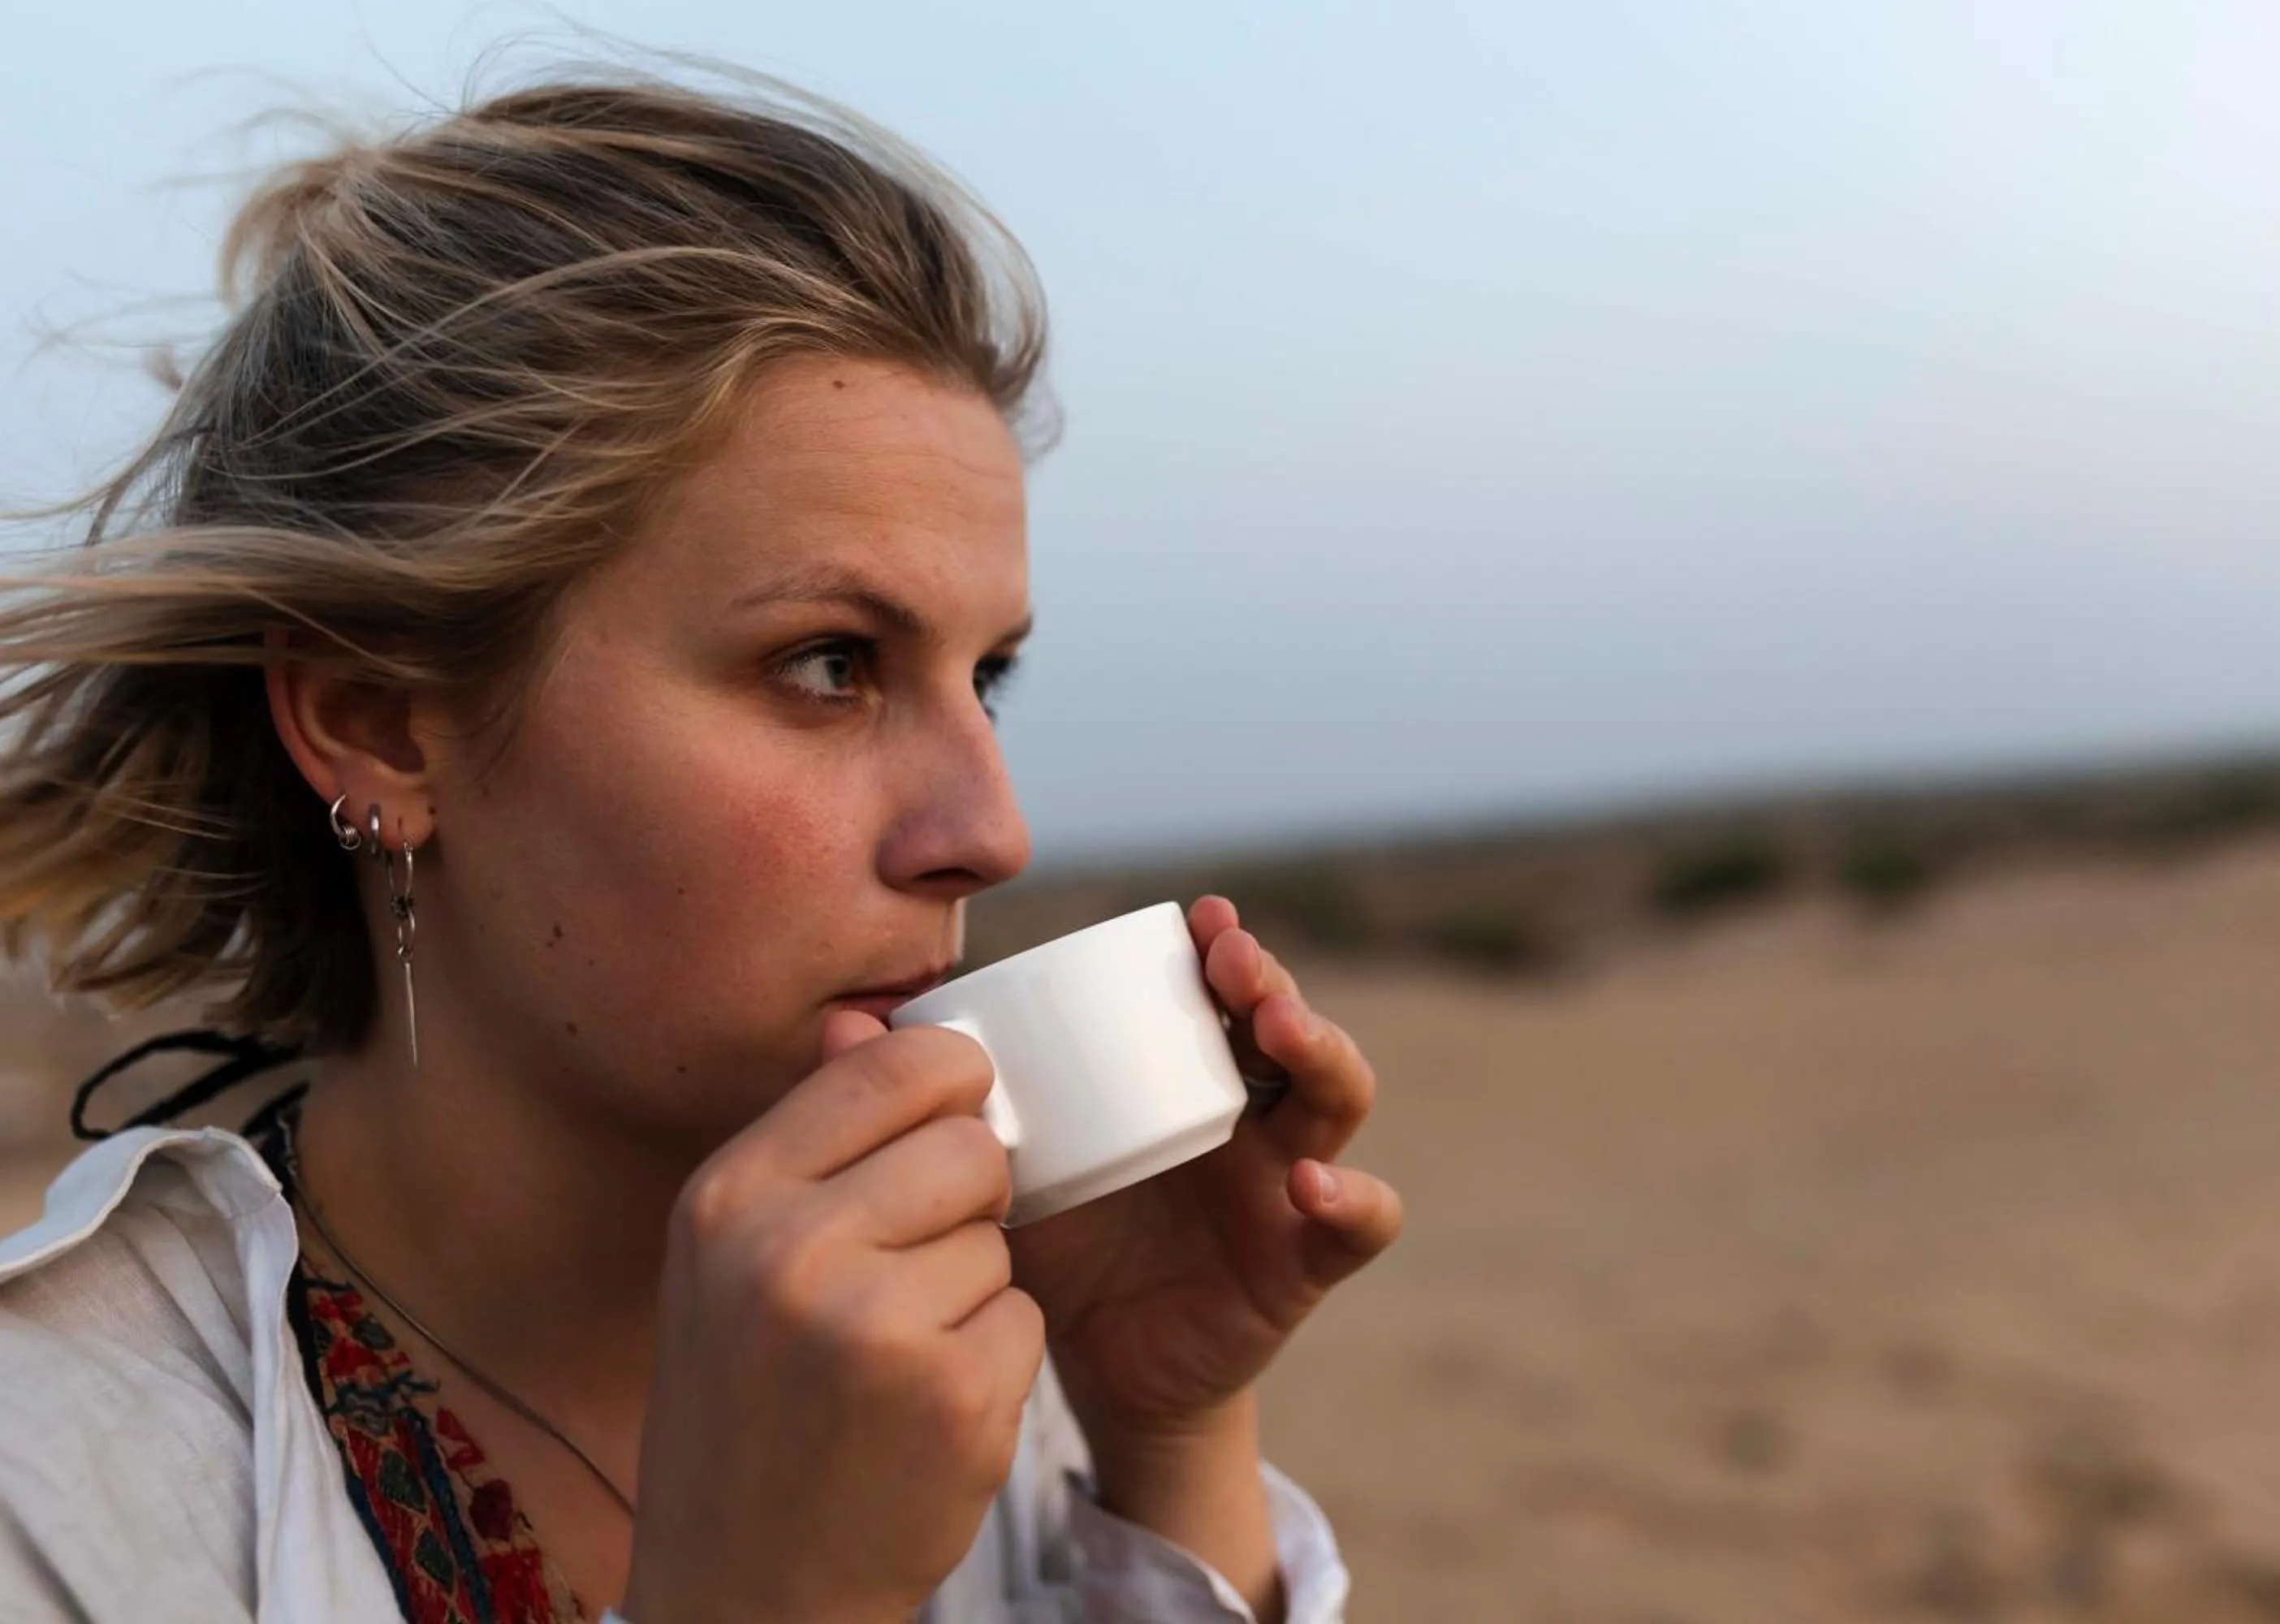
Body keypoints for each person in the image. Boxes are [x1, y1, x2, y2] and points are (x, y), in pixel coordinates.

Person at [0, 64, 1401, 1623]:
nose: (990, 833)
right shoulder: (57, 1490)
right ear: (382, 726)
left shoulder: (959, 1351)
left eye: (986, 677)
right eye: (830, 665)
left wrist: (1168, 1434)